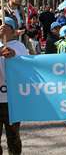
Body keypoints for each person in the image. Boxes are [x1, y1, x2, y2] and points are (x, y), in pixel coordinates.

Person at [0, 17, 29, 155]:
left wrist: (13, 54)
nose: (1, 28)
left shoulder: (19, 46)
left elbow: (25, 64)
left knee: (13, 137)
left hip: (11, 101)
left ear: (12, 30)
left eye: (4, 26)